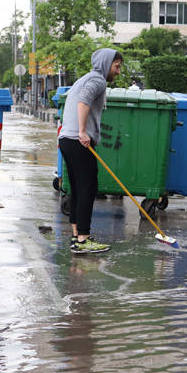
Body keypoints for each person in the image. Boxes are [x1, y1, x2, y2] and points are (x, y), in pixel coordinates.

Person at [58, 48, 123, 254]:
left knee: (78, 189)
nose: (118, 72)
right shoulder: (97, 81)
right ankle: (84, 240)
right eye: (117, 67)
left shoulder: (84, 79)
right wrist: (83, 131)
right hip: (78, 140)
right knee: (88, 188)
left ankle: (77, 235)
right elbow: (83, 102)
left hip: (67, 139)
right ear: (106, 64)